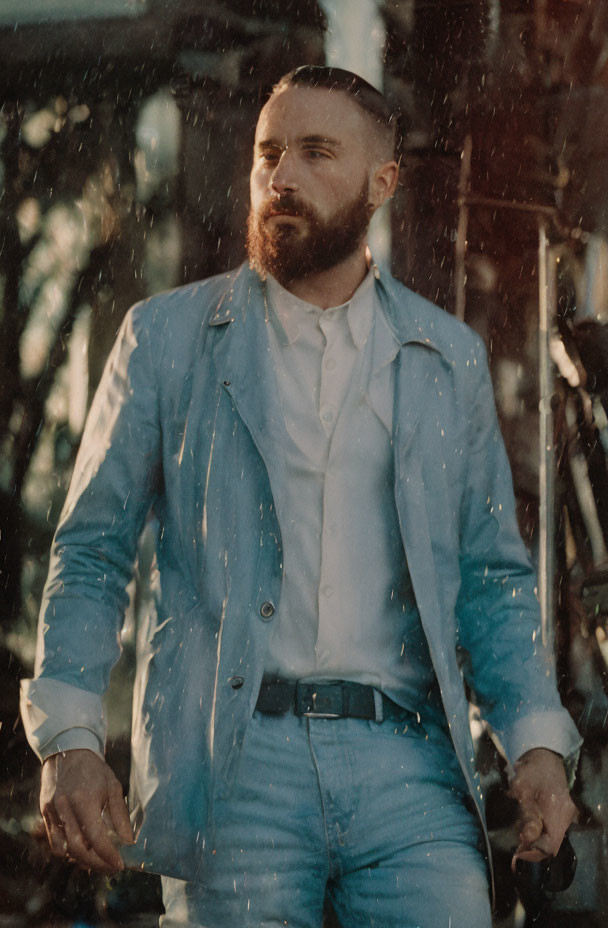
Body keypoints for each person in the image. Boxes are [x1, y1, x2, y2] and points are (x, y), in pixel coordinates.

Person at [21, 66, 581, 928]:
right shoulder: (167, 341)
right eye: (268, 153)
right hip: (235, 769)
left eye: (317, 153)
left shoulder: (447, 359)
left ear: (383, 182)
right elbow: (93, 549)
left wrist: (537, 744)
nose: (280, 177)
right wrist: (69, 737)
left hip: (411, 769)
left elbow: (491, 577)